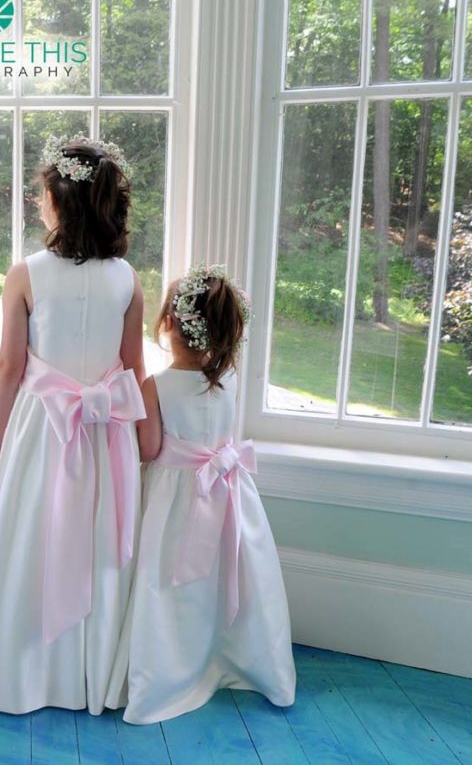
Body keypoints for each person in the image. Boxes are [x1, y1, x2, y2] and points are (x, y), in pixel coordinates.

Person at [0, 135, 146, 714]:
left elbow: (9, 367)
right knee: (96, 541)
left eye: (42, 194)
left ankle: (26, 674)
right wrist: (142, 438)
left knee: (32, 536)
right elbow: (134, 369)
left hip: (43, 428)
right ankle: (90, 675)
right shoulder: (128, 278)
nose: (39, 203)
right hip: (107, 430)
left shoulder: (26, 274)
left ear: (59, 201)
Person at [110, 265, 296, 723]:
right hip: (228, 493)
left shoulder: (155, 386)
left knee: (171, 583)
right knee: (222, 576)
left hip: (174, 499)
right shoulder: (227, 381)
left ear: (167, 323)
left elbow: (149, 449)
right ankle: (226, 654)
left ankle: (173, 667)